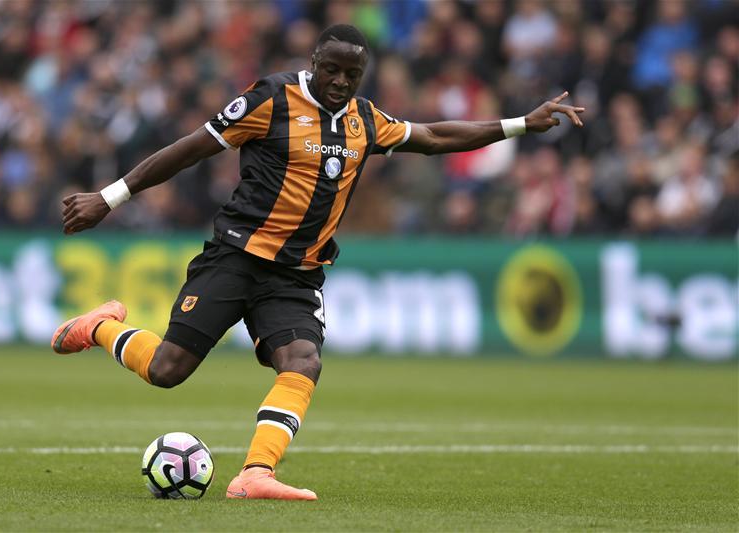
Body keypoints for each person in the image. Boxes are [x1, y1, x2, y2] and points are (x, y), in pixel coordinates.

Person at [52, 24, 584, 501]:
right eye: (332, 69)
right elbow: (191, 148)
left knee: (303, 361)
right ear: (314, 62)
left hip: (295, 274)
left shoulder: (365, 121)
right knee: (167, 371)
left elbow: (435, 136)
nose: (340, 81)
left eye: (352, 74)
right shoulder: (270, 99)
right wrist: (110, 197)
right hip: (236, 256)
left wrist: (520, 123)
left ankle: (255, 474)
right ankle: (100, 326)